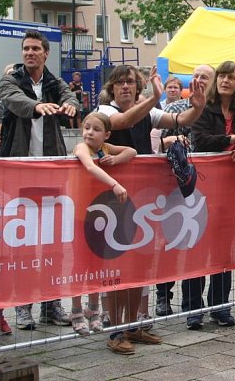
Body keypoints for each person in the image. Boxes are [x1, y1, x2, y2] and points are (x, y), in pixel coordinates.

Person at [96, 64, 204, 343]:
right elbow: (122, 123)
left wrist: (199, 105)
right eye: (119, 83)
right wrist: (154, 99)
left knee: (138, 265)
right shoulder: (105, 111)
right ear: (111, 88)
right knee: (118, 267)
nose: (125, 87)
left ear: (138, 86)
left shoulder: (149, 111)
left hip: (141, 198)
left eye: (130, 82)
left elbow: (180, 120)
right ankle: (115, 331)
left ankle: (133, 326)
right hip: (113, 197)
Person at [0, 30, 79, 331]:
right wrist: (36, 106)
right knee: (23, 244)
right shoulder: (11, 80)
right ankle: (22, 306)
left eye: (35, 49)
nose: (29, 53)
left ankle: (51, 305)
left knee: (52, 241)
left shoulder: (54, 83)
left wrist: (71, 105)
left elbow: (70, 95)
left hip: (50, 171)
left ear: (46, 53)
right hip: (20, 170)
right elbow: (15, 101)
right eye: (26, 49)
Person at [188, 61, 235, 327]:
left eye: (231, 77)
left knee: (224, 250)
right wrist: (234, 139)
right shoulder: (203, 109)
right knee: (197, 248)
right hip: (204, 188)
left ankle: (220, 306)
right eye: (221, 76)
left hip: (233, 190)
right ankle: (193, 308)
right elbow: (200, 140)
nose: (225, 81)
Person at [154, 66, 215, 316]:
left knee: (199, 245)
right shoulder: (176, 108)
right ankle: (163, 296)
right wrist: (169, 142)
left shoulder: (217, 111)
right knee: (170, 242)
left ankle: (195, 305)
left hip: (210, 185)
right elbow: (157, 142)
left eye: (205, 77)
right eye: (196, 76)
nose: (199, 80)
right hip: (175, 185)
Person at [71, 112, 136, 339]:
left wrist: (116, 160)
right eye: (87, 127)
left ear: (106, 134)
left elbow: (132, 151)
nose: (89, 132)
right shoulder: (82, 148)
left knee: (97, 263)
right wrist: (115, 183)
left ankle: (94, 309)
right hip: (81, 214)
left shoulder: (106, 148)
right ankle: (77, 311)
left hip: (100, 216)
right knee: (80, 266)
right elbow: (89, 167)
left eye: (96, 129)